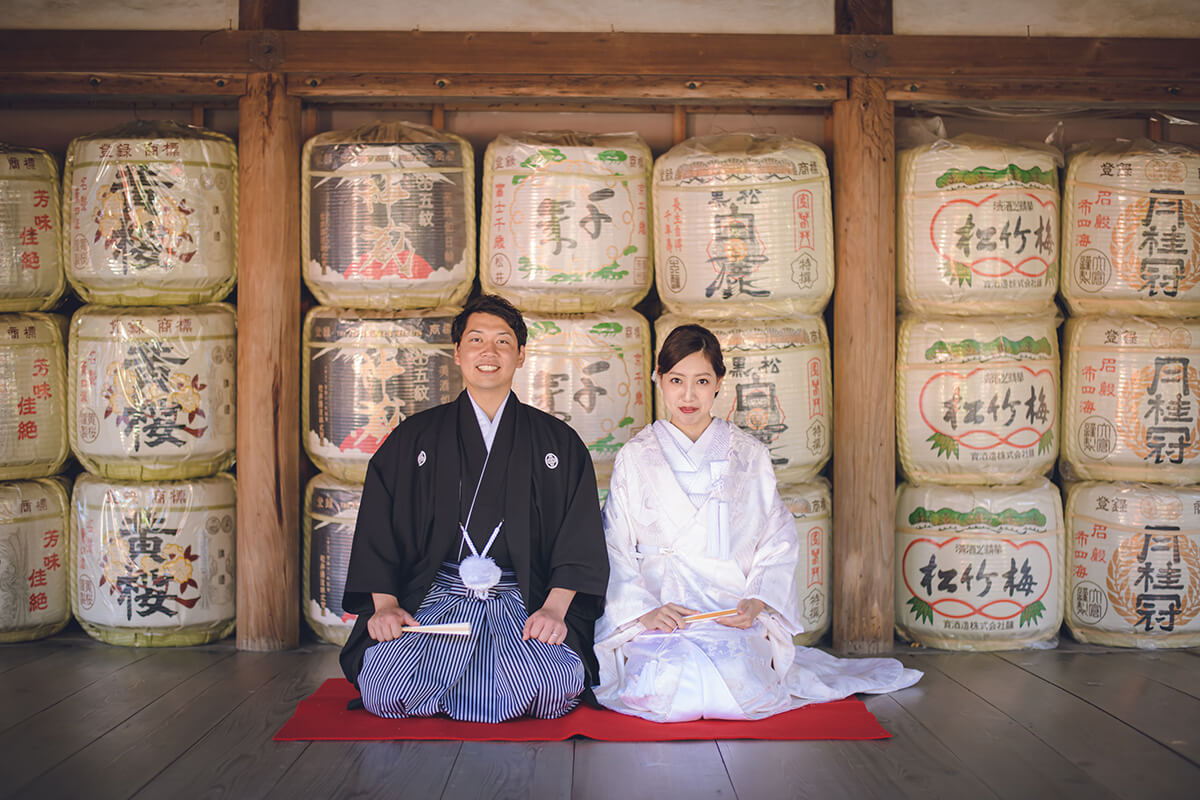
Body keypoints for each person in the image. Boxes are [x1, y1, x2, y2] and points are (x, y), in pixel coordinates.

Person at [593, 324, 920, 722]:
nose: (688, 395)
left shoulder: (747, 455)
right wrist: (642, 612)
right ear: (657, 379)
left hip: (729, 614)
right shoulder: (635, 456)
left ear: (719, 384)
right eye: (676, 380)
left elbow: (776, 538)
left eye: (702, 380)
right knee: (667, 681)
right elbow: (614, 543)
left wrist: (756, 602)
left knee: (734, 676)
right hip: (662, 617)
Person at [339, 294, 610, 722]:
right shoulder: (415, 438)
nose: (489, 352)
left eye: (503, 342)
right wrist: (386, 605)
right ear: (457, 353)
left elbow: (579, 539)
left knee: (552, 685)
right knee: (385, 686)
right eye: (477, 340)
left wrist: (555, 610)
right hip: (435, 598)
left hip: (524, 600)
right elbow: (379, 526)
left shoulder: (558, 443)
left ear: (521, 356)